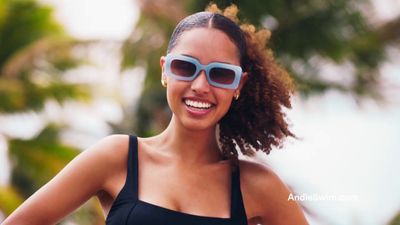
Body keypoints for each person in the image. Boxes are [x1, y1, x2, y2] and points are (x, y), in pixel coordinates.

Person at [2, 4, 309, 225]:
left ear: (238, 84)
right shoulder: (118, 157)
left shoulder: (257, 185)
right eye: (185, 67)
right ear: (165, 71)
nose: (201, 85)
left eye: (220, 74)